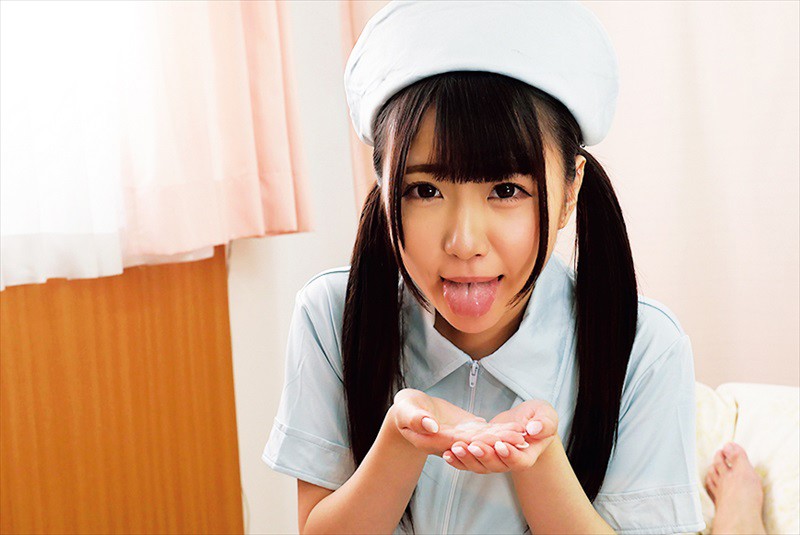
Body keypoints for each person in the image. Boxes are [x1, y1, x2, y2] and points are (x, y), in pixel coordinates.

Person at [262, 1, 711, 533]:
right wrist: (401, 443)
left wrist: (538, 462)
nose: (464, 242)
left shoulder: (647, 346)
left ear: (569, 190)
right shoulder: (332, 315)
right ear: (383, 187)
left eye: (506, 190)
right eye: (424, 190)